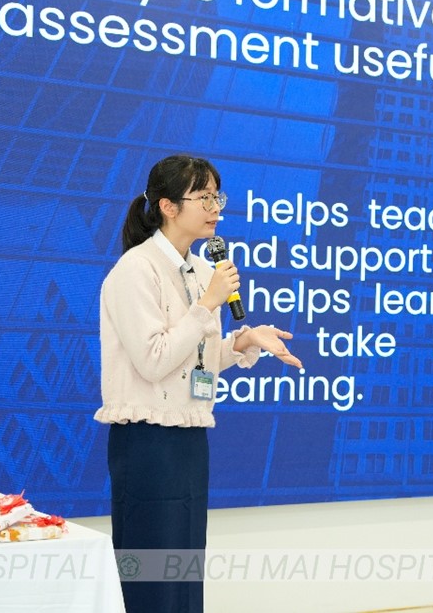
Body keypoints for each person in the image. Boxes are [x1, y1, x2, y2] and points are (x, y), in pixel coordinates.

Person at [94, 154, 302, 613]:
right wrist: (206, 305)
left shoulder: (201, 272)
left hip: (189, 439)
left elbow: (193, 360)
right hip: (146, 442)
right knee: (153, 579)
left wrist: (243, 340)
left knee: (185, 574)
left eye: (217, 197)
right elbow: (154, 360)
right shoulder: (136, 270)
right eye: (203, 197)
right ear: (168, 206)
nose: (215, 208)